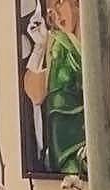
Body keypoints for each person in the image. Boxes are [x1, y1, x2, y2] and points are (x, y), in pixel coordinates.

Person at [22, 0, 86, 175]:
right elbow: (35, 94)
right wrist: (39, 48)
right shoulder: (58, 43)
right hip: (62, 150)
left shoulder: (95, 42)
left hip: (85, 145)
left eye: (59, 3)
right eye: (50, 10)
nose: (55, 14)